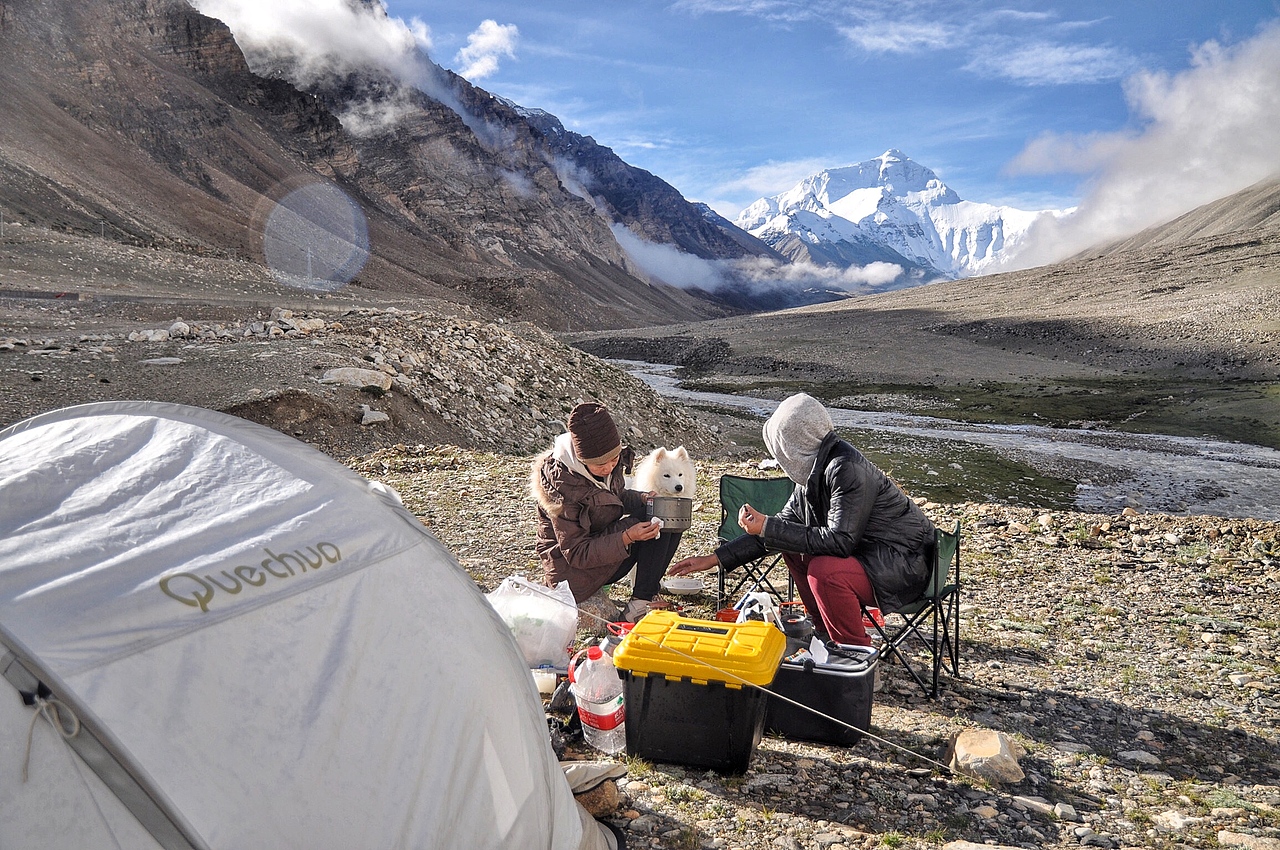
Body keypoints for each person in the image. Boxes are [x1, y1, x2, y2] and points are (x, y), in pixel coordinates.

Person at [670, 393, 935, 646]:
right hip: (874, 558)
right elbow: (783, 528)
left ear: (793, 444)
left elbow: (841, 541)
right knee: (791, 547)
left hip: (904, 565)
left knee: (824, 571)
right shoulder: (815, 472)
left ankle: (855, 653)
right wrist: (714, 559)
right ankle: (822, 632)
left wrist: (768, 526)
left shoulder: (845, 469)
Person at [531, 401, 681, 624]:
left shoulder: (605, 467)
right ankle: (641, 602)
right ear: (581, 460)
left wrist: (641, 498)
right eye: (600, 464)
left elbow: (613, 497)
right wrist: (627, 537)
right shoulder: (562, 489)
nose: (609, 467)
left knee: (666, 513)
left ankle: (642, 598)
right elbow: (576, 552)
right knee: (650, 518)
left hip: (599, 554)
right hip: (572, 574)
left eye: (614, 459)